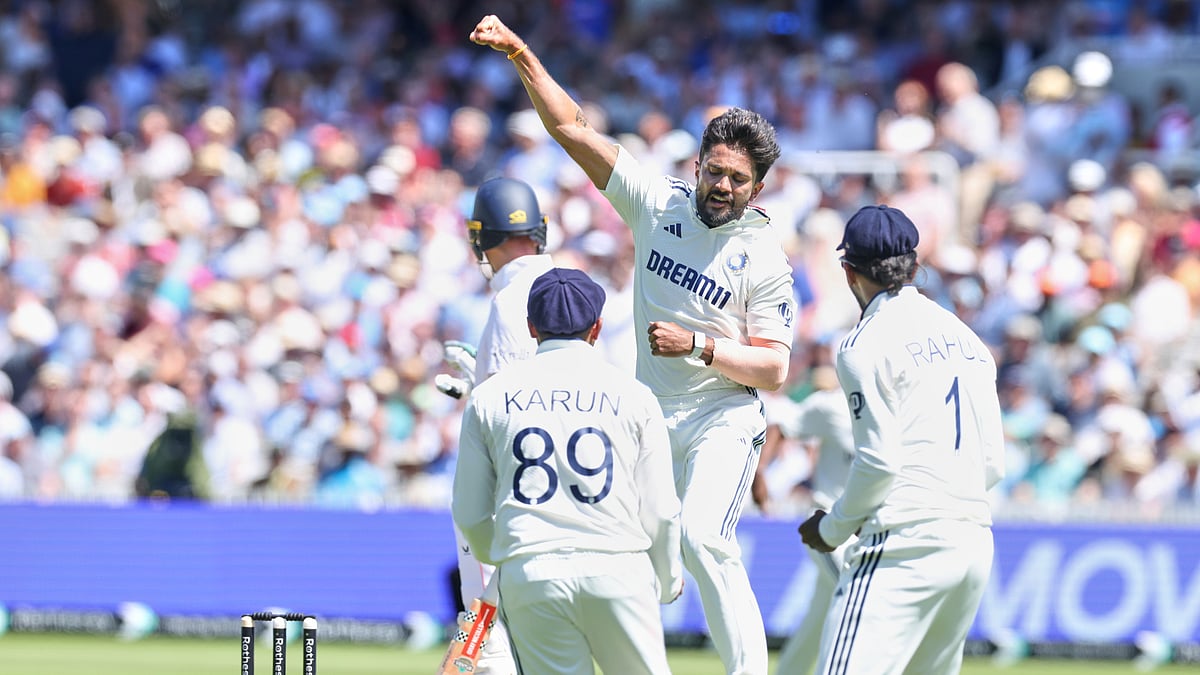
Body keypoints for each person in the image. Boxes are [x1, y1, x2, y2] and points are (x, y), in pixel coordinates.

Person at [471, 16, 797, 674]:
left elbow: (775, 367)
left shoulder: (763, 258)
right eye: (715, 170)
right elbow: (572, 130)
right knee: (614, 555)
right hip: (648, 419)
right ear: (697, 164)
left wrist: (699, 348)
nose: (722, 186)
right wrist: (521, 52)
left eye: (737, 178)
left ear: (757, 188)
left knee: (706, 541)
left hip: (720, 417)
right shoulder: (658, 205)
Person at [798, 205, 1005, 674]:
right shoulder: (969, 340)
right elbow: (993, 462)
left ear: (848, 271)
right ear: (915, 267)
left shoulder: (861, 344)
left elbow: (879, 463)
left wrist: (832, 529)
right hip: (972, 543)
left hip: (903, 545)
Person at [452, 267, 684, 675]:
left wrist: (505, 554)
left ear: (530, 327)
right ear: (596, 327)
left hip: (532, 572)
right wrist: (667, 579)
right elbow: (662, 509)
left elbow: (469, 513)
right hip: (618, 567)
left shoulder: (489, 397)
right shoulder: (636, 396)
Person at [437, 176, 555, 675]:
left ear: (481, 238)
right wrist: (475, 385)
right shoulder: (565, 287)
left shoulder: (509, 302)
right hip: (560, 491)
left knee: (484, 636)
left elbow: (514, 411)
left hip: (503, 502)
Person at [767, 365, 856, 675]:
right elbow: (782, 425)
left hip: (865, 532)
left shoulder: (897, 408)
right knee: (856, 595)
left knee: (817, 621)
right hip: (827, 527)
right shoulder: (830, 405)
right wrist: (760, 477)